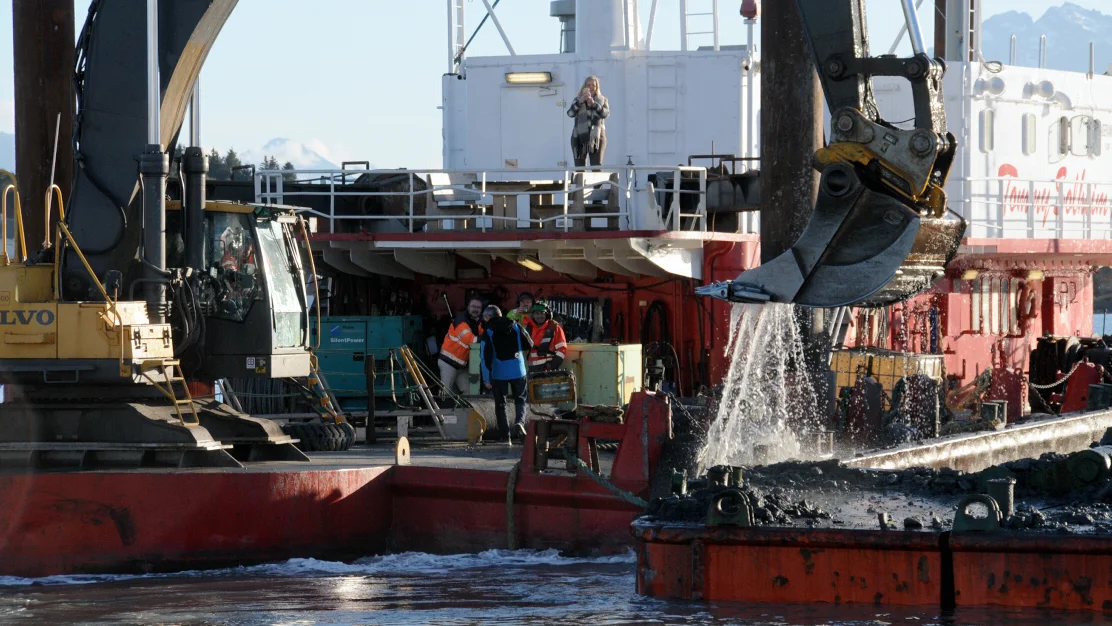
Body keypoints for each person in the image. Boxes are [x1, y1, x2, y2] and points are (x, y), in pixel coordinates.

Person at [479, 305, 534, 442]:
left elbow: (484, 357)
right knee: (521, 399)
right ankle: (520, 423)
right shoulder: (515, 326)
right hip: (518, 369)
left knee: (501, 404)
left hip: (499, 373)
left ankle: (506, 437)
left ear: (488, 317)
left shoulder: (488, 331)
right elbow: (529, 343)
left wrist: (487, 379)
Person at [438, 296, 484, 396]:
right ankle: (441, 411)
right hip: (448, 363)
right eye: (473, 306)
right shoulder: (461, 321)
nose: (475, 309)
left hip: (461, 366)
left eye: (478, 307)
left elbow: (482, 332)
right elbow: (471, 340)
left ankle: (463, 411)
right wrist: (487, 338)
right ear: (468, 307)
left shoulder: (477, 322)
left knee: (469, 391)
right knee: (445, 393)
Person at [566, 76, 609, 169]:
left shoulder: (602, 100)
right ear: (584, 87)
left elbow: (605, 114)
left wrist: (593, 103)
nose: (591, 87)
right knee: (579, 168)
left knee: (596, 167)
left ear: (597, 87)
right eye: (588, 85)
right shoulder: (577, 99)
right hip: (579, 137)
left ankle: (598, 184)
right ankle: (580, 184)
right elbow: (570, 113)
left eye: (593, 85)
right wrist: (580, 101)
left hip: (597, 137)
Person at [527, 302, 568, 375]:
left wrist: (551, 366)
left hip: (548, 371)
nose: (539, 316)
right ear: (533, 315)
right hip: (531, 371)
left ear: (547, 314)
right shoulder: (529, 328)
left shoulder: (555, 328)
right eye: (537, 313)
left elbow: (562, 350)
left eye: (542, 313)